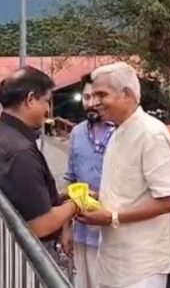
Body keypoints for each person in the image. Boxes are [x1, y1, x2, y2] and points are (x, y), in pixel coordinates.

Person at [78, 62, 170, 288]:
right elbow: (127, 191)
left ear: (126, 95)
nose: (93, 103)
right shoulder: (118, 131)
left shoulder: (151, 134)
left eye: (101, 95)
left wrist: (112, 217)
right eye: (93, 95)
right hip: (114, 259)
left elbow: (167, 201)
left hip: (141, 266)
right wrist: (95, 198)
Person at [0, 67, 78, 249]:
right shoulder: (19, 151)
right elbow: (39, 225)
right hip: (24, 255)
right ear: (30, 99)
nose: (48, 109)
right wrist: (75, 204)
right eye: (46, 101)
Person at [62, 74, 115, 288]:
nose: (91, 103)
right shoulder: (77, 132)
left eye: (97, 97)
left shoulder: (121, 133)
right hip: (81, 232)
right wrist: (66, 228)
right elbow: (70, 179)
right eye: (86, 97)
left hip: (112, 233)